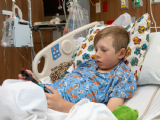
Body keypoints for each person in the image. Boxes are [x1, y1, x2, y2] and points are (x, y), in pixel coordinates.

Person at [18, 26, 137, 113]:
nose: (96, 54)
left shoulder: (123, 76)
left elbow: (107, 114)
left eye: (104, 50)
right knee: (11, 90)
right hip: (47, 93)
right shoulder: (89, 64)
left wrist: (63, 106)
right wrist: (36, 82)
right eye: (96, 50)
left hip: (64, 110)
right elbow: (63, 83)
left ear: (121, 53)